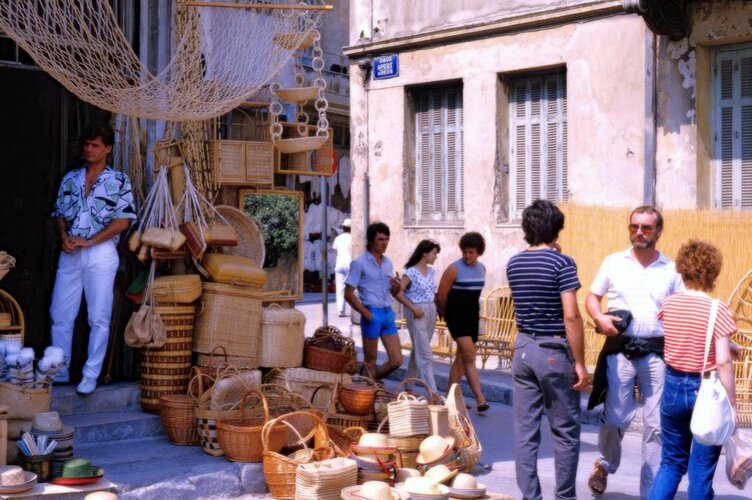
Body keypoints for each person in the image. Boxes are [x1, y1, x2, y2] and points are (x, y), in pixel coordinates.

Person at [585, 206, 684, 499]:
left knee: (656, 425)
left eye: (646, 227)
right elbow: (592, 297)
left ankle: (650, 492)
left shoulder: (671, 269)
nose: (638, 232)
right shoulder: (614, 262)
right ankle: (603, 464)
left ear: (658, 231)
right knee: (615, 418)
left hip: (656, 351)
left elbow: (681, 309)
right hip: (620, 349)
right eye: (634, 226)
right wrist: (599, 317)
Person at [506, 200, 588, 500]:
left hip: (523, 346)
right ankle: (564, 497)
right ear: (557, 229)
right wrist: (579, 362)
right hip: (553, 350)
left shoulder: (514, 263)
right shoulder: (562, 263)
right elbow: (571, 316)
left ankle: (531, 496)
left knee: (525, 432)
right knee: (565, 432)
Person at [50, 123, 136, 395]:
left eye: (95, 145)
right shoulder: (71, 179)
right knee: (60, 313)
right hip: (71, 250)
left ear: (108, 148)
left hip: (100, 252)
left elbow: (123, 221)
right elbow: (60, 213)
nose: (88, 149)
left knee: (98, 316)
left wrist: (90, 241)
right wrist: (64, 235)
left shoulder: (119, 180)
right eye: (86, 144)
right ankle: (60, 371)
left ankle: (91, 374)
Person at [649, 240, 738, 499]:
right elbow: (722, 361)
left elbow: (686, 336)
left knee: (671, 463)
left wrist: (725, 341)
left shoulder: (670, 304)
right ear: (713, 272)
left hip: (673, 386)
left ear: (682, 269)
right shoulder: (717, 308)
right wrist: (732, 403)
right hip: (706, 390)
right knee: (699, 471)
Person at [437, 232, 488, 412]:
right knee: (469, 355)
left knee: (461, 358)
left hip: (472, 315)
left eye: (471, 252)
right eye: (465, 252)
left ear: (479, 252)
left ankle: (450, 399)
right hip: (456, 316)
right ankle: (480, 398)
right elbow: (442, 294)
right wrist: (443, 313)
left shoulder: (482, 268)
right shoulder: (454, 269)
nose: (467, 255)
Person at [345, 222, 403, 379]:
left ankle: (370, 381)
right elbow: (348, 294)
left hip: (387, 313)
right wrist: (366, 313)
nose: (384, 243)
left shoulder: (388, 262)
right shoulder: (359, 263)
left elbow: (393, 292)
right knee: (370, 360)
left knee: (397, 361)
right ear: (371, 241)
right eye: (380, 239)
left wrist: (397, 286)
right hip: (371, 312)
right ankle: (367, 393)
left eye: (386, 239)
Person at [397, 239, 441, 393]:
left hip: (430, 310)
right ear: (424, 253)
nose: (436, 256)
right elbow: (397, 292)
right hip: (417, 311)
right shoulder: (411, 272)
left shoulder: (432, 272)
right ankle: (433, 392)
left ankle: (408, 387)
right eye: (434, 253)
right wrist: (413, 307)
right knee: (425, 354)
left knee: (419, 349)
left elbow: (432, 292)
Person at [332, 218, 352, 317]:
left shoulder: (338, 238)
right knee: (353, 288)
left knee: (340, 288)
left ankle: (340, 310)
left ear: (343, 227)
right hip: (350, 265)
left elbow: (336, 252)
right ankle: (355, 311)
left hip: (339, 264)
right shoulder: (353, 238)